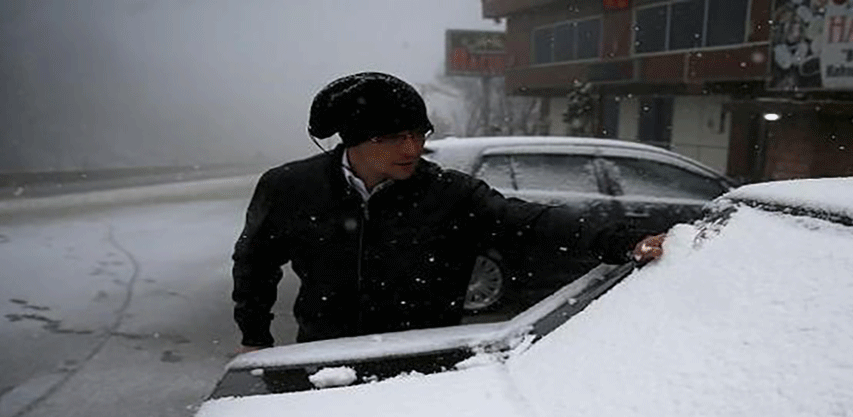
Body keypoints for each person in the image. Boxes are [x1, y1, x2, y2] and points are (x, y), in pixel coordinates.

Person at [232, 71, 666, 352]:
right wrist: (255, 336)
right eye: (395, 137)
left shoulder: (448, 193)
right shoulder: (291, 188)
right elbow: (255, 263)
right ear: (356, 140)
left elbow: (528, 221)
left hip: (426, 362)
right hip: (326, 354)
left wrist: (620, 239)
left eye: (419, 134)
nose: (413, 148)